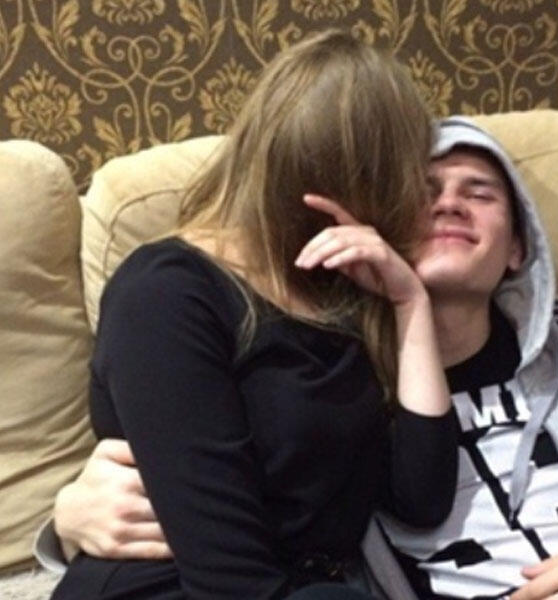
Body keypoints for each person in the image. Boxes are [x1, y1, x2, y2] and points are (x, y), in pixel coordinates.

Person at [42, 118, 558, 599]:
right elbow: (221, 491)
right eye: (422, 193)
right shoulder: (331, 380)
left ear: (519, 248)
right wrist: (68, 520)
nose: (449, 204)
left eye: (480, 193)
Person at [47, 30, 457, 600]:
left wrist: (411, 305)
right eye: (410, 176)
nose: (422, 202)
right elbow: (228, 580)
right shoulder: (165, 296)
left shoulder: (345, 291)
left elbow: (422, 499)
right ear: (358, 177)